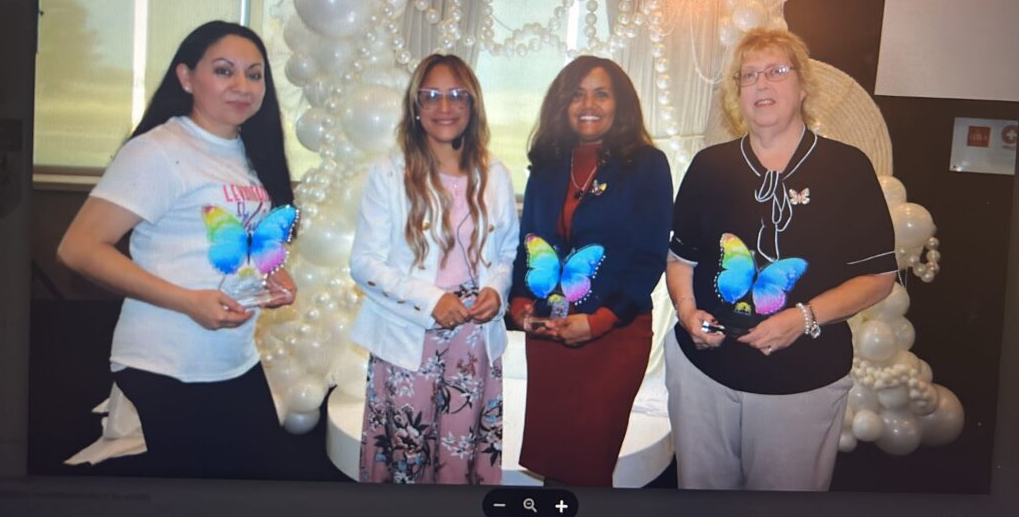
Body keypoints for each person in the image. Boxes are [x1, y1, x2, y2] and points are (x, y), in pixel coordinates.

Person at [58, 20, 298, 478]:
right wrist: (187, 301)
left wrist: (269, 275)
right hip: (167, 361)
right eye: (224, 71)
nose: (243, 85)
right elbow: (79, 249)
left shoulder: (249, 150)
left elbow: (223, 240)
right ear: (186, 77)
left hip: (233, 356)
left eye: (254, 74)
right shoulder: (159, 150)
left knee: (255, 481)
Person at [664, 28, 897, 491]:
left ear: (804, 85)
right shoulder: (709, 166)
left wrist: (802, 318)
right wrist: (687, 313)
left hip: (801, 382)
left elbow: (879, 276)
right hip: (703, 375)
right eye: (748, 75)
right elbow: (680, 260)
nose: (761, 84)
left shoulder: (847, 168)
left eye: (776, 71)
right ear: (737, 94)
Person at [349, 54, 518, 485]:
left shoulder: (495, 174)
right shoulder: (390, 174)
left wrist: (496, 291)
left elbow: (507, 252)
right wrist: (432, 301)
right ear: (416, 107)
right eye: (432, 96)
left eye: (457, 95)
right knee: (406, 460)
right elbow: (364, 263)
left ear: (473, 105)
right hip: (408, 335)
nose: (445, 107)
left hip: (474, 338)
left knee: (460, 456)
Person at [508, 56, 673, 487]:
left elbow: (649, 257)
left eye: (602, 94)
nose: (589, 104)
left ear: (621, 104)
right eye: (577, 94)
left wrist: (599, 321)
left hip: (614, 334)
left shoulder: (647, 165)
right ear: (562, 104)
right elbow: (529, 243)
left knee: (589, 466)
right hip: (551, 331)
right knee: (556, 462)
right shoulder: (547, 165)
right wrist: (520, 303)